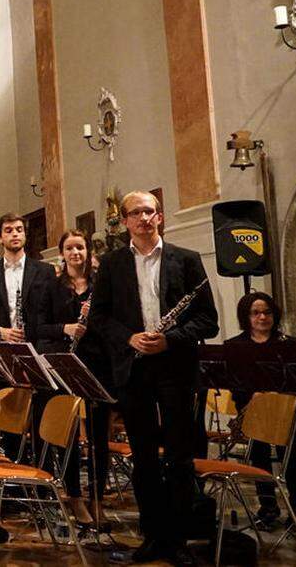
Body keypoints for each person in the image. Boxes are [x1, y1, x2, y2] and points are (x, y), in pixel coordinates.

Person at [89, 191, 218, 566]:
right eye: (136, 213)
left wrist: (169, 340)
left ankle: (176, 539)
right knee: (143, 458)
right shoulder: (112, 264)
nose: (144, 218)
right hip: (133, 369)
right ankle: (152, 535)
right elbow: (99, 318)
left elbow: (208, 320)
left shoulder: (187, 260)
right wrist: (129, 337)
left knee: (179, 457)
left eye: (150, 211)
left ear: (159, 217)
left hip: (174, 367)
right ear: (125, 221)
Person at [32, 231, 108, 526]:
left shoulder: (101, 286)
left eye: (80, 247)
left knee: (99, 437)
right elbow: (39, 327)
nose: (75, 252)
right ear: (61, 253)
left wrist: (94, 322)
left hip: (97, 365)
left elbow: (114, 322)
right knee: (70, 437)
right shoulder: (51, 286)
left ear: (87, 251)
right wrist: (65, 328)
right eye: (69, 248)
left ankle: (98, 498)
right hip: (65, 367)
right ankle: (75, 497)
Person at [223, 292, 296, 527]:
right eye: (256, 312)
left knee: (290, 459)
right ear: (246, 316)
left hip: (285, 409)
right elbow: (234, 384)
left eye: (267, 312)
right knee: (258, 456)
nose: (262, 317)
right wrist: (254, 396)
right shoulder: (235, 346)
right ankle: (268, 507)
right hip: (253, 409)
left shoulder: (289, 345)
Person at [0, 212, 56, 463]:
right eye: (9, 230)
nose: (15, 234)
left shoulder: (45, 271)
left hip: (36, 352)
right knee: (10, 422)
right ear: (1, 237)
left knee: (39, 419)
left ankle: (43, 479)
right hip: (3, 354)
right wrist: (0, 331)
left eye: (19, 230)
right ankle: (15, 479)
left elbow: (50, 313)